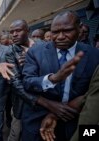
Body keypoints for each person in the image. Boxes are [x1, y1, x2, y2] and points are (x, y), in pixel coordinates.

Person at [22, 11, 99, 141]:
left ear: (79, 29)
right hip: (39, 121)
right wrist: (53, 79)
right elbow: (27, 82)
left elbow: (93, 93)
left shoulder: (94, 55)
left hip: (78, 121)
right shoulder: (36, 52)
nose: (60, 37)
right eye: (55, 32)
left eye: (67, 31)